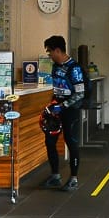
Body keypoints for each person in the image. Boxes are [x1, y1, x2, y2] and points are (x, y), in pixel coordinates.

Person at [41, 35, 84, 192]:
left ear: (58, 50)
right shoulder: (55, 66)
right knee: (50, 141)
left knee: (71, 142)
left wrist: (63, 106)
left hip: (70, 110)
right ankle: (55, 176)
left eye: (50, 52)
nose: (49, 55)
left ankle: (73, 179)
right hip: (56, 108)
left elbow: (80, 93)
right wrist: (53, 105)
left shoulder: (75, 68)